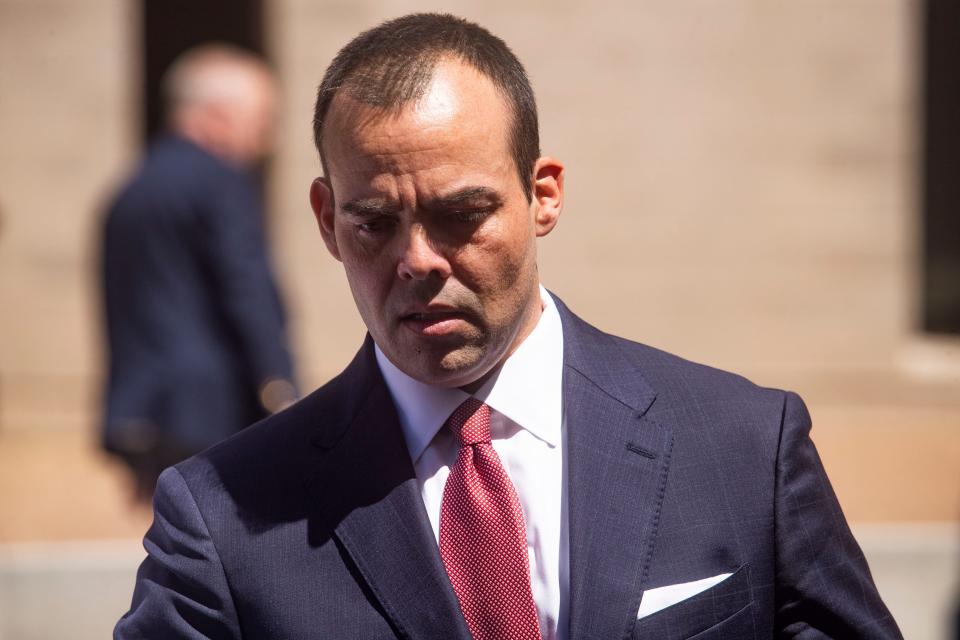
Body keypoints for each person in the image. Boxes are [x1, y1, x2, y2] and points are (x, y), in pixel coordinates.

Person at [115, 14, 901, 639]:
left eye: (462, 214)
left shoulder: (742, 447)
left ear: (543, 195)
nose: (418, 260)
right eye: (375, 223)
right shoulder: (224, 512)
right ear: (326, 220)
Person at [100, 45, 296, 504]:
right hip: (212, 413)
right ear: (217, 115)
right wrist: (278, 388)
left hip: (145, 410)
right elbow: (247, 291)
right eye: (262, 120)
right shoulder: (219, 182)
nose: (267, 139)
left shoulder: (130, 190)